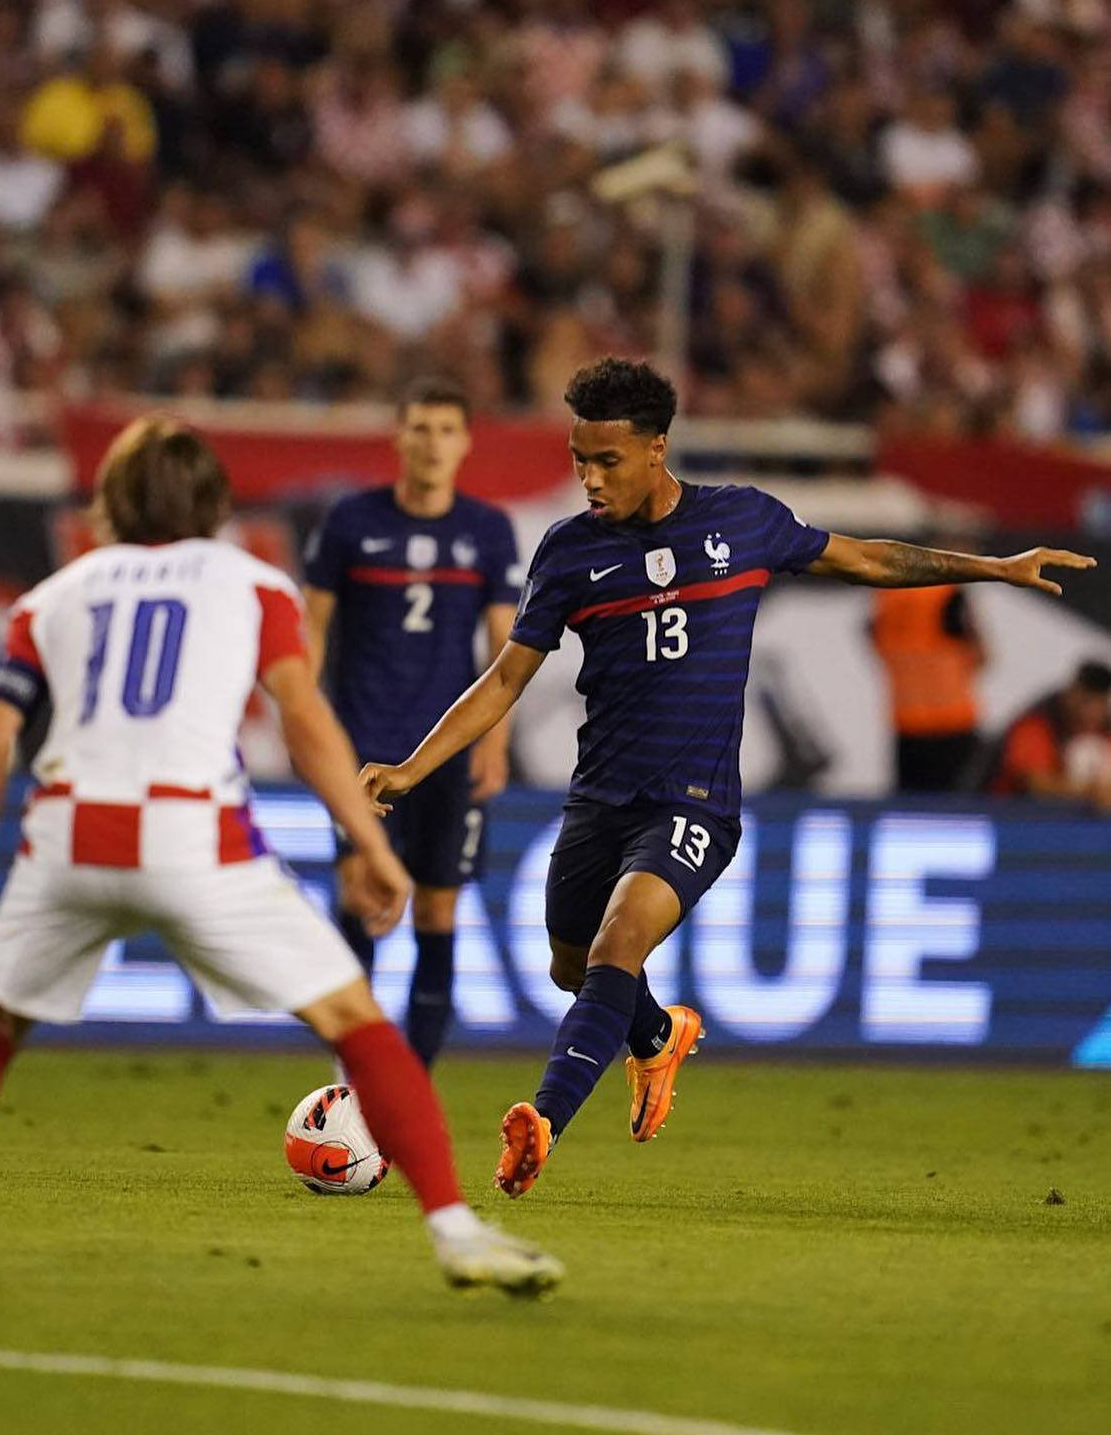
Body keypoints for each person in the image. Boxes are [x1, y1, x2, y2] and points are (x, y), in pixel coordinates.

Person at [361, 358, 1096, 1198]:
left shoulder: (742, 523)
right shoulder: (569, 553)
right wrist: (413, 768)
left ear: (657, 450)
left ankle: (541, 1123)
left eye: (606, 462)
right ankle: (655, 1036)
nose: (589, 480)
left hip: (694, 803)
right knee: (575, 968)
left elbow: (867, 559)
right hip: (599, 797)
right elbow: (503, 680)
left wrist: (994, 568)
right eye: (578, 460)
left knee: (615, 945)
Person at [0, 418, 560, 1295]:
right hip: (190, 833)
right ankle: (456, 1231)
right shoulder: (251, 585)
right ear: (213, 503)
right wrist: (365, 836)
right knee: (356, 1020)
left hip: (68, 833)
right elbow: (303, 717)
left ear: (112, 502)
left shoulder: (51, 597)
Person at [303, 377, 521, 1066]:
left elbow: (505, 651)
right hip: (360, 742)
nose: (432, 444)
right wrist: (310, 731)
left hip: (448, 752)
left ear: (466, 443)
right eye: (419, 428)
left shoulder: (487, 531)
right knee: (359, 894)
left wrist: (496, 740)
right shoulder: (349, 523)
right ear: (398, 436)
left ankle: (411, 1087)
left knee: (437, 911)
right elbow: (310, 634)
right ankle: (354, 1078)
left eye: (445, 430)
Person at [870, 579, 987, 791]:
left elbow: (875, 641)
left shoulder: (885, 596)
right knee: (959, 815)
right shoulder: (947, 593)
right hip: (953, 724)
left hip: (907, 726)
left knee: (911, 814)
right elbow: (983, 657)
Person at [990, 659, 1111, 811]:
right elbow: (1035, 783)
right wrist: (1090, 791)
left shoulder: (1104, 730)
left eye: (1099, 704)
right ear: (1071, 693)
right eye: (1086, 702)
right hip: (1014, 818)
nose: (1091, 713)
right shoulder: (1036, 724)